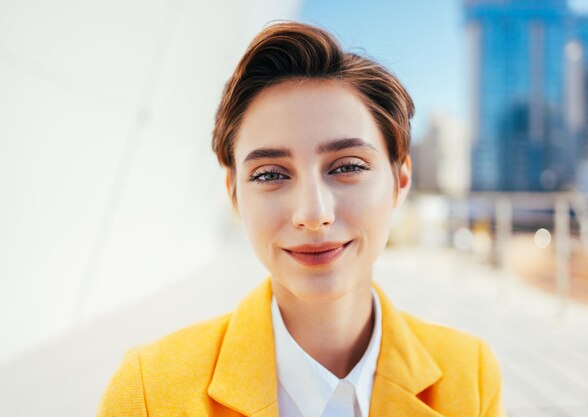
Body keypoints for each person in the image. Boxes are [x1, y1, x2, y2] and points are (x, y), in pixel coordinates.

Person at [98, 21, 506, 417]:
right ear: (234, 193)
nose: (313, 215)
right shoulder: (148, 392)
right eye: (271, 174)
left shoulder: (469, 375)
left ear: (400, 181)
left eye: (347, 166)